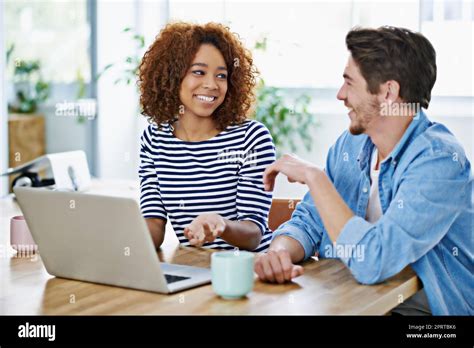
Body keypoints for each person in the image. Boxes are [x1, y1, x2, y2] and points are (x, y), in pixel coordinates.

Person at [255, 26, 473, 315]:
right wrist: (279, 252)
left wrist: (315, 177)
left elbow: (374, 260)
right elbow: (310, 221)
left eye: (349, 83)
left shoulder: (439, 162)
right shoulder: (352, 144)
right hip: (353, 301)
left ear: (388, 92)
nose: (340, 94)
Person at [137, 22, 275, 252]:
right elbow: (154, 224)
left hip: (250, 270)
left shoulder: (251, 138)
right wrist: (118, 240)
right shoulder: (155, 139)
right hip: (196, 271)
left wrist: (221, 226)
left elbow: (253, 234)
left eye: (221, 75)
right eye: (199, 72)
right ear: (172, 77)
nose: (211, 85)